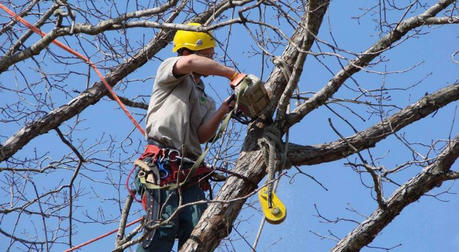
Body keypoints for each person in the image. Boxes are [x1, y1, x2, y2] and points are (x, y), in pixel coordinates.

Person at [136, 23, 243, 252]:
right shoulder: (170, 72)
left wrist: (224, 109)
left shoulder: (205, 98)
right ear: (188, 50)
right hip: (162, 164)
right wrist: (232, 74)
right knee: (162, 228)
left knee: (198, 230)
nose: (212, 58)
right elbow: (189, 63)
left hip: (190, 172)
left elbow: (203, 135)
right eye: (208, 53)